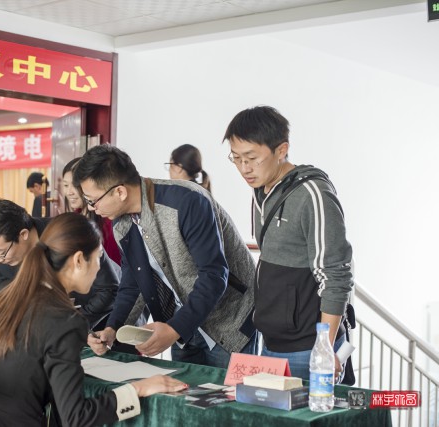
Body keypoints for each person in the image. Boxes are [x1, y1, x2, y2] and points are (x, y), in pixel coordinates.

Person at [0, 213, 187, 426]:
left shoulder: (4, 292)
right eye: (98, 257)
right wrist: (138, 389)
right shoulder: (65, 321)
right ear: (79, 260)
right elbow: (76, 417)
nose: (99, 268)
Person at [72, 145, 257, 369]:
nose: (92, 208)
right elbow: (132, 284)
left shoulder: (187, 201)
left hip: (228, 320)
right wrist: (112, 328)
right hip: (182, 326)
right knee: (184, 389)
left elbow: (214, 275)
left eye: (93, 200)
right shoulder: (122, 223)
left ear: (120, 192)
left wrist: (174, 329)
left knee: (226, 391)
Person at [223, 105, 354, 382]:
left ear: (281, 150)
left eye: (252, 158)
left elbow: (336, 276)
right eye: (236, 158)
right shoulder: (260, 190)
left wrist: (325, 348)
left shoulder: (313, 194)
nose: (244, 168)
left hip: (308, 348)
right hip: (271, 341)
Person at [0, 198, 118, 330]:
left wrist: (72, 326)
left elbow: (109, 290)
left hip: (105, 322)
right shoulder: (1, 256)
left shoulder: (70, 233)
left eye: (1, 253)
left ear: (23, 234)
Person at [62, 157, 121, 266]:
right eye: (66, 185)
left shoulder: (107, 222)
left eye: (75, 185)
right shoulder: (73, 218)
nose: (69, 192)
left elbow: (114, 267)